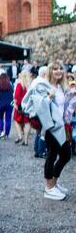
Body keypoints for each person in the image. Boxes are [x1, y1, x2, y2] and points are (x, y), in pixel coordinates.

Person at [22, 62, 72, 200]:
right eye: (55, 69)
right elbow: (38, 104)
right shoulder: (43, 86)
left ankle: (54, 183)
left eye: (60, 68)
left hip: (61, 126)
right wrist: (48, 98)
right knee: (52, 154)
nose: (58, 71)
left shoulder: (61, 86)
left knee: (66, 155)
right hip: (50, 126)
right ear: (50, 71)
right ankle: (49, 187)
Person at [13, 70, 32, 145]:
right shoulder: (30, 85)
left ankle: (20, 135)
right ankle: (26, 141)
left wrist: (15, 105)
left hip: (20, 105)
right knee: (27, 122)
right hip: (28, 105)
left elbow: (16, 96)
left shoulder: (19, 84)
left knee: (16, 120)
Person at [0, 73, 14, 140]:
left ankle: (1, 132)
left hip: (0, 104)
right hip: (9, 104)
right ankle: (7, 134)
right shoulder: (10, 85)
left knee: (0, 118)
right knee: (8, 119)